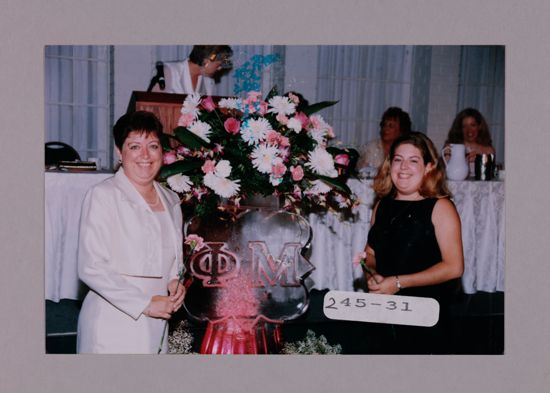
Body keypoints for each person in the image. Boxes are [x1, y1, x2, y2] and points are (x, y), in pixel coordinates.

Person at [77, 111, 186, 354]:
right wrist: (145, 304)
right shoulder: (103, 196)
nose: (145, 155)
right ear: (119, 151)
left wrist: (175, 281)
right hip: (113, 319)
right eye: (135, 146)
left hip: (158, 318)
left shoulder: (171, 199)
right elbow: (91, 266)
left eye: (153, 146)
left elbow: (174, 259)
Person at [363, 131, 464, 354]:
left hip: (425, 315)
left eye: (413, 160)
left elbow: (454, 267)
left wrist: (398, 283)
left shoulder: (441, 208)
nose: (403, 167)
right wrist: (372, 273)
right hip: (384, 311)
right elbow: (370, 252)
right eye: (398, 159)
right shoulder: (382, 205)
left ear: (429, 167)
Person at [150, 45, 233, 95]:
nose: (220, 68)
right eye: (219, 64)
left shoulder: (209, 82)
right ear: (207, 61)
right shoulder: (169, 71)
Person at [357, 106, 412, 171]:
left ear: (401, 130)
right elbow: (364, 172)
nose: (385, 128)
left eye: (391, 126)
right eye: (384, 125)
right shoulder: (371, 148)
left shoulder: (407, 150)